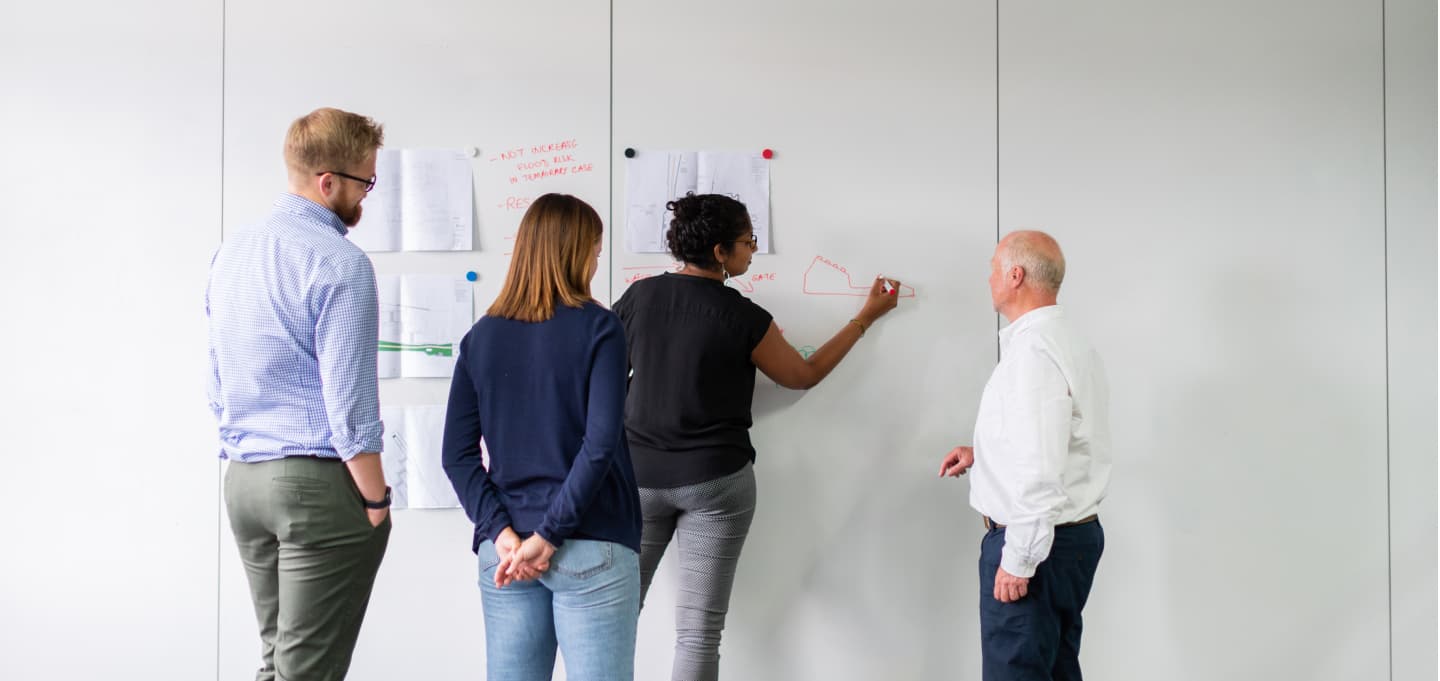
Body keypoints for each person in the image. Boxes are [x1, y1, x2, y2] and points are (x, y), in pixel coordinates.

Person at [612, 192, 901, 681]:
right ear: (720, 252)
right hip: (714, 483)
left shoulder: (640, 297)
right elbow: (801, 376)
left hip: (637, 478)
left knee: (616, 616)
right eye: (748, 242)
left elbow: (607, 375)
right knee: (699, 631)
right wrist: (864, 318)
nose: (753, 251)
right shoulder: (742, 316)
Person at [206, 107, 392, 681]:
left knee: (280, 664)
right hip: (314, 485)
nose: (368, 195)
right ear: (327, 182)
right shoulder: (340, 262)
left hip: (244, 481)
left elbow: (217, 374)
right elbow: (350, 403)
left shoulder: (231, 252)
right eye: (365, 182)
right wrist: (377, 502)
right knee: (307, 672)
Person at [442, 193, 642, 681]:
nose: (598, 258)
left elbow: (456, 456)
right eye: (595, 247)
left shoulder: (481, 337)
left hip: (505, 550)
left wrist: (504, 534)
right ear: (574, 251)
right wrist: (548, 536)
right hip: (590, 542)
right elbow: (599, 446)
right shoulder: (601, 328)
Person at [939, 230, 1111, 681]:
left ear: (1015, 276)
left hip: (1037, 543)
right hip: (1068, 539)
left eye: (994, 268)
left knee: (1016, 672)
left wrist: (1019, 560)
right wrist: (985, 453)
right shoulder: (1066, 340)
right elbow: (1059, 438)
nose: (989, 277)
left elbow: (1040, 470)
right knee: (1054, 670)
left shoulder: (1033, 352)